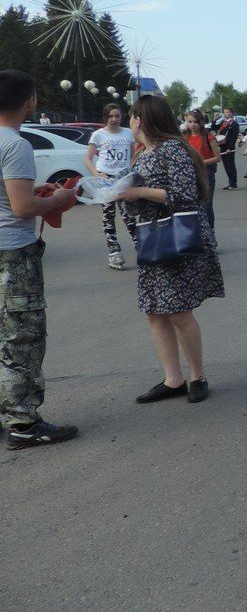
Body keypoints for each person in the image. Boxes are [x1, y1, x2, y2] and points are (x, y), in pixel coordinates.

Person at [117, 95, 225, 405]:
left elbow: (185, 195)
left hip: (176, 237)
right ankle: (173, 378)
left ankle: (197, 376)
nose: (129, 122)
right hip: (153, 238)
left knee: (179, 311)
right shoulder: (143, 153)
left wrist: (136, 191)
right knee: (154, 311)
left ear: (143, 119)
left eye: (133, 116)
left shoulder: (172, 149)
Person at [1, 70, 79, 449]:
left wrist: (34, 191)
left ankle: (6, 414)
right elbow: (22, 208)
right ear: (29, 102)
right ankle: (24, 424)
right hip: (13, 254)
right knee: (23, 338)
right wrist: (57, 200)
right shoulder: (15, 145)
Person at [86, 103, 138, 270]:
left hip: (123, 178)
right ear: (106, 117)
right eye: (111, 116)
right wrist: (96, 173)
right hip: (106, 178)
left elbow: (132, 155)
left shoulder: (128, 133)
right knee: (108, 215)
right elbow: (87, 159)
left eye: (117, 116)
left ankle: (142, 248)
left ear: (121, 116)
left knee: (128, 214)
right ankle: (114, 253)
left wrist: (131, 170)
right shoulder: (98, 135)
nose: (114, 119)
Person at [184, 110, 221, 248]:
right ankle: (196, 237)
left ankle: (210, 234)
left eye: (196, 122)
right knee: (191, 206)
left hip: (206, 175)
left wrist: (200, 162)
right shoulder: (185, 138)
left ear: (201, 123)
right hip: (189, 175)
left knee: (206, 205)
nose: (193, 125)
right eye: (190, 122)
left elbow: (217, 158)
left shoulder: (208, 137)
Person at [215, 107, 239, 189]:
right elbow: (214, 128)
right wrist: (214, 119)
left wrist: (229, 147)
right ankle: (230, 183)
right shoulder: (223, 122)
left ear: (231, 113)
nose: (224, 113)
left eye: (226, 112)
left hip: (229, 147)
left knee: (231, 166)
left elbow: (233, 137)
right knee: (226, 166)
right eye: (224, 112)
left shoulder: (234, 124)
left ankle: (234, 184)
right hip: (223, 146)